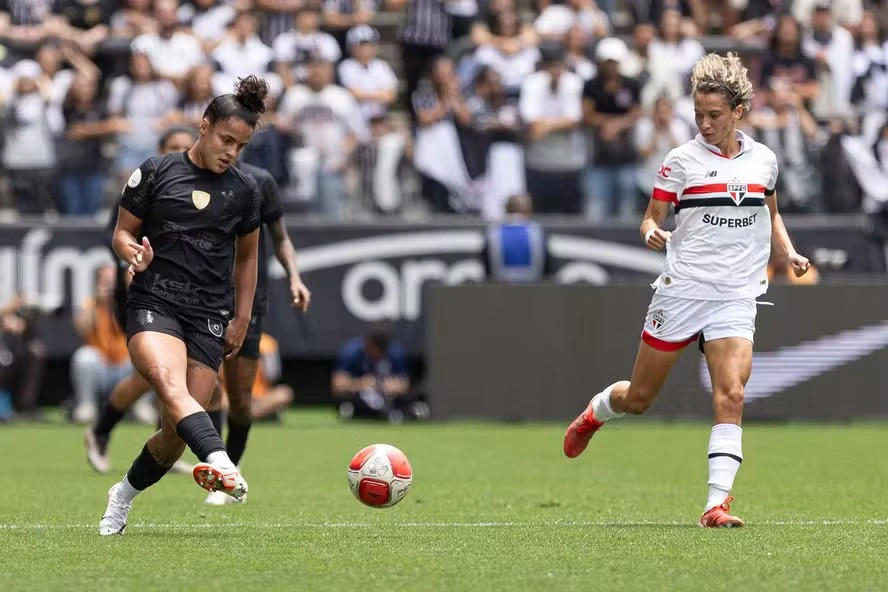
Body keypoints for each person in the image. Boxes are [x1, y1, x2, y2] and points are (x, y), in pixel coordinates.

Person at [562, 53, 811, 528]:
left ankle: (715, 505)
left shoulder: (765, 161)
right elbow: (652, 217)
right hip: (683, 291)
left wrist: (788, 252)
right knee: (639, 398)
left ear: (738, 111)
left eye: (714, 114)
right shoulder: (680, 161)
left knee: (731, 393)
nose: (704, 122)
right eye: (699, 113)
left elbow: (771, 213)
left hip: (737, 293)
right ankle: (595, 414)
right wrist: (651, 231)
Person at [98, 76, 268, 536]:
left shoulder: (246, 191)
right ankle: (220, 461)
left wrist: (243, 317)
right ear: (204, 125)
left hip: (209, 315)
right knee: (170, 384)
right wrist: (131, 252)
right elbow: (121, 233)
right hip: (154, 302)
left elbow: (249, 258)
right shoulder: (155, 172)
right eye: (226, 139)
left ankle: (122, 495)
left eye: (241, 145)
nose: (231, 151)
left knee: (174, 436)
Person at [85, 126, 199, 475]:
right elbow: (115, 233)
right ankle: (102, 431)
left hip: (186, 291)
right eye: (172, 146)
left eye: (184, 145)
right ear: (161, 149)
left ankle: (163, 442)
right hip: (142, 286)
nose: (179, 151)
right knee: (153, 373)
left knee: (173, 373)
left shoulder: (203, 190)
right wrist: (129, 262)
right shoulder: (144, 182)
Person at [203, 158, 311, 505]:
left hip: (247, 303)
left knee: (241, 399)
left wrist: (294, 275)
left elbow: (281, 239)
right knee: (210, 389)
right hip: (199, 296)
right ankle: (220, 472)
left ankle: (232, 467)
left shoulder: (260, 180)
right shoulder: (192, 179)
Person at [332, 324, 426, 423]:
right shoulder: (351, 351)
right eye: (374, 351)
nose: (376, 356)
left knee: (412, 396)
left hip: (387, 396)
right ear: (367, 343)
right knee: (345, 398)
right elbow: (337, 384)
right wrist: (360, 384)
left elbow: (405, 383)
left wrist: (393, 385)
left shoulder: (395, 352)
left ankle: (397, 413)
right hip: (360, 396)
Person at [480, 194, 553, 282]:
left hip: (499, 289)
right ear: (529, 211)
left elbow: (486, 268)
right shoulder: (539, 232)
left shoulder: (492, 232)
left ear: (506, 210)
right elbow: (547, 268)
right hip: (534, 289)